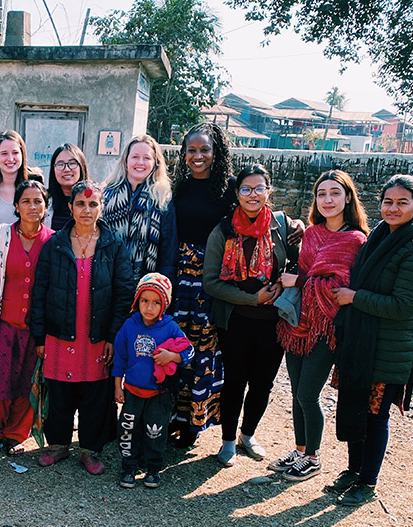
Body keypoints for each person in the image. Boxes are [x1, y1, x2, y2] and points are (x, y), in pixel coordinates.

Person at [329, 174, 413, 506]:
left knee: (375, 416)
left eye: (403, 202)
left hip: (388, 348)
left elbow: (404, 306)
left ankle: (367, 481)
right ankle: (352, 470)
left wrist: (354, 298)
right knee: (354, 407)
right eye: (388, 201)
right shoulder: (378, 235)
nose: (393, 208)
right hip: (360, 342)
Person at [30, 180, 135, 475]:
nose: (86, 210)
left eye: (92, 204)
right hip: (59, 334)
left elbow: (124, 293)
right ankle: (58, 445)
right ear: (70, 208)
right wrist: (40, 334)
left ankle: (90, 449)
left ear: (101, 208)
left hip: (97, 335)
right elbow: (40, 291)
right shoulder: (56, 245)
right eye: (80, 204)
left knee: (95, 394)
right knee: (60, 392)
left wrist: (113, 335)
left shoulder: (113, 245)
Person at [270, 171, 368, 481]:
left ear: (348, 198)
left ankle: (313, 457)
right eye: (321, 194)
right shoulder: (310, 233)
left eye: (335, 193)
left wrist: (299, 281)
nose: (327, 199)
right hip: (297, 324)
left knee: (308, 395)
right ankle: (300, 451)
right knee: (296, 393)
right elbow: (306, 277)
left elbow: (340, 287)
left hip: (327, 328)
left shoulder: (356, 240)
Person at [203, 164, 300, 467]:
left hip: (274, 321)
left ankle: (249, 434)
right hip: (236, 320)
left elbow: (300, 264)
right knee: (234, 381)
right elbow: (211, 282)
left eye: (260, 188)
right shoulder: (223, 231)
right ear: (237, 193)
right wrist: (251, 298)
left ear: (269, 191)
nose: (253, 194)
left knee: (263, 383)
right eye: (246, 189)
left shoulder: (283, 228)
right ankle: (228, 440)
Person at [168, 123, 236, 447]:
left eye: (204, 150)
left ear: (216, 152)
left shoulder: (230, 189)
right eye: (191, 150)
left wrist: (292, 226)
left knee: (204, 352)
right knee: (174, 347)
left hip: (210, 282)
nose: (198, 156)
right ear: (183, 154)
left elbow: (257, 212)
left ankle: (192, 424)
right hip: (178, 281)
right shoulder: (176, 188)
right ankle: (169, 417)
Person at [0, 180, 54, 454]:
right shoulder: (0, 238)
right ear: (17, 206)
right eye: (26, 201)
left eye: (38, 201)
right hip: (3, 325)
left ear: (45, 206)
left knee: (27, 381)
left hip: (35, 328)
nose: (33, 207)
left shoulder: (53, 241)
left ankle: (16, 432)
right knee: (0, 378)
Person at [113, 273, 193, 489]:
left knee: (155, 431)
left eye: (156, 302)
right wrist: (117, 387)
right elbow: (119, 358)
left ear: (164, 304)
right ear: (137, 301)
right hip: (132, 391)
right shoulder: (129, 326)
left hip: (159, 394)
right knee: (127, 428)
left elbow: (189, 350)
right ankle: (128, 466)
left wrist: (173, 357)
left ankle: (153, 468)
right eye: (144, 301)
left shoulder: (170, 327)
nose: (149, 307)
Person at [102, 135, 177, 288]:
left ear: (155, 162)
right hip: (105, 281)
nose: (140, 163)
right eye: (135, 156)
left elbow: (168, 250)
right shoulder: (105, 195)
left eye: (147, 158)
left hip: (145, 285)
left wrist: (162, 287)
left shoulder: (162, 199)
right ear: (126, 160)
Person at [46, 143, 88, 232]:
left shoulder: (94, 200)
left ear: (81, 166)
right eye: (60, 164)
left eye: (72, 163)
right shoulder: (45, 202)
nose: (67, 169)